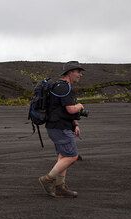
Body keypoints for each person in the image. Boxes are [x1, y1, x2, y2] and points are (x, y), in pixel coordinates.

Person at [38, 61, 85, 198]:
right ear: (70, 72)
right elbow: (70, 109)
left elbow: (61, 109)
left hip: (57, 126)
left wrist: (75, 124)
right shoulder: (64, 88)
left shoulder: (59, 86)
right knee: (72, 156)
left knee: (64, 155)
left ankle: (60, 187)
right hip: (59, 127)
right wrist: (80, 106)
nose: (80, 75)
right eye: (78, 72)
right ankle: (47, 179)